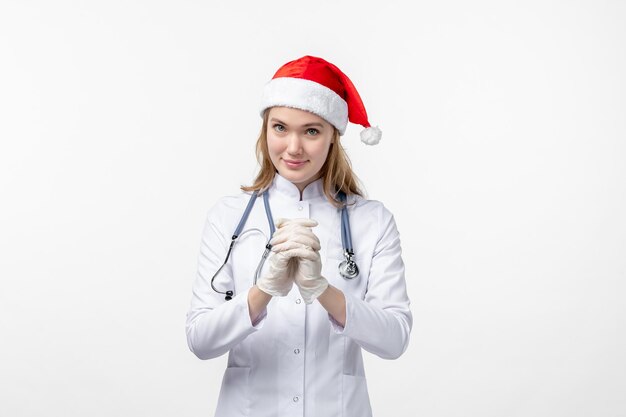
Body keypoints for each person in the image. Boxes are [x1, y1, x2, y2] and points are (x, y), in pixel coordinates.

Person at [185, 55, 412, 417]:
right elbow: (200, 340)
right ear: (265, 130)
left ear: (332, 138)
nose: (293, 147)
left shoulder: (372, 221)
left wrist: (323, 290)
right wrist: (264, 291)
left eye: (311, 131)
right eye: (280, 128)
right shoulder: (228, 217)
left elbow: (394, 339)